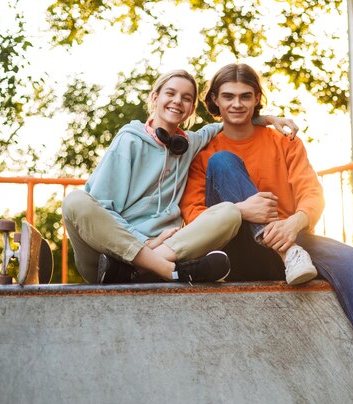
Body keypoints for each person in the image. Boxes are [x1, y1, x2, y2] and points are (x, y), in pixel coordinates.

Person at [179, 63, 353, 404]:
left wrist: (295, 223)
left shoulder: (283, 140)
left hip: (293, 245)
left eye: (245, 96)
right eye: (228, 96)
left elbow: (311, 192)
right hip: (235, 249)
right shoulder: (204, 150)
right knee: (225, 164)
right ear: (214, 100)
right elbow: (194, 215)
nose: (237, 104)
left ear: (257, 99)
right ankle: (286, 250)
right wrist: (241, 212)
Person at [62, 69, 298, 285]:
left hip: (168, 248)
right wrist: (144, 243)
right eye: (171, 93)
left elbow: (227, 122)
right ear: (155, 98)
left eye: (186, 98)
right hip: (110, 258)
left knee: (230, 212)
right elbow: (103, 207)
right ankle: (166, 270)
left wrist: (268, 119)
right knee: (75, 201)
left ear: (192, 108)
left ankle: (144, 269)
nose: (178, 101)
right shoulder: (129, 140)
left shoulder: (188, 144)